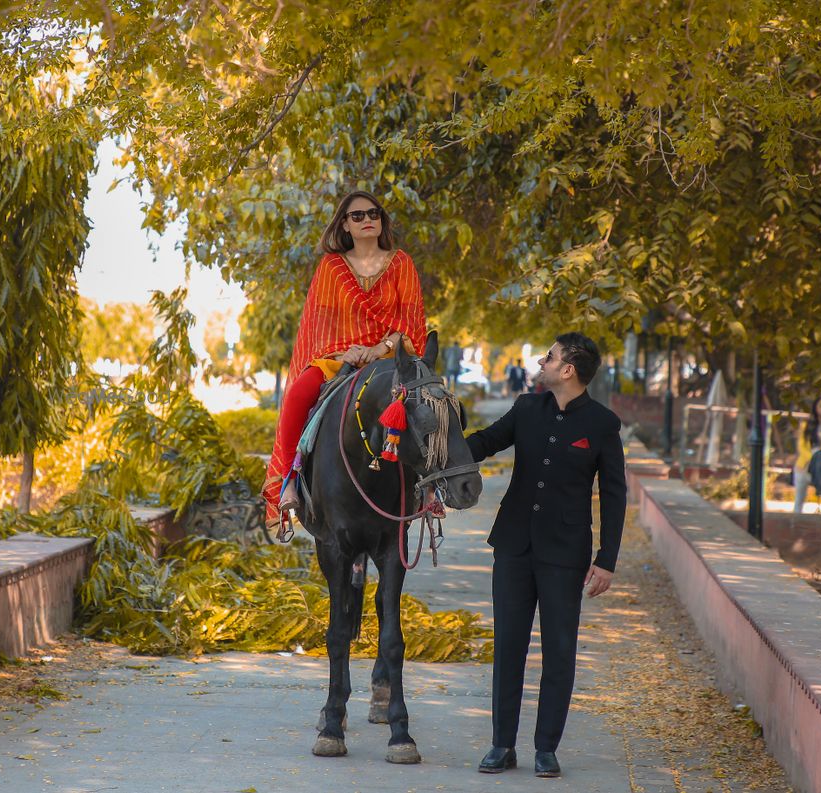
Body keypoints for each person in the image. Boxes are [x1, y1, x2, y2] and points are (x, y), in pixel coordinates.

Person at [465, 332, 626, 778]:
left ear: (569, 369)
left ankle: (546, 748)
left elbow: (614, 495)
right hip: (514, 546)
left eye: (550, 356)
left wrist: (606, 558)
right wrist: (441, 443)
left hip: (564, 554)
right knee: (508, 647)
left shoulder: (602, 425)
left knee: (559, 650)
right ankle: (501, 745)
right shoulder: (526, 408)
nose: (542, 360)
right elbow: (485, 441)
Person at [263, 191, 427, 531]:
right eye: (358, 216)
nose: (368, 219)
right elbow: (317, 325)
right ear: (344, 225)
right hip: (338, 360)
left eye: (374, 213)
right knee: (296, 394)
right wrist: (344, 352)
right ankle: (289, 480)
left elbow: (410, 323)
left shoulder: (401, 263)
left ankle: (430, 486)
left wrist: (381, 347)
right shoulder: (332, 267)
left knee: (431, 400)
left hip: (390, 360)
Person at [793, 397, 821, 514]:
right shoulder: (806, 425)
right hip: (806, 463)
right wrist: (812, 457)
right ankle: (796, 521)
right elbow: (801, 446)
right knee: (799, 499)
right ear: (815, 408)